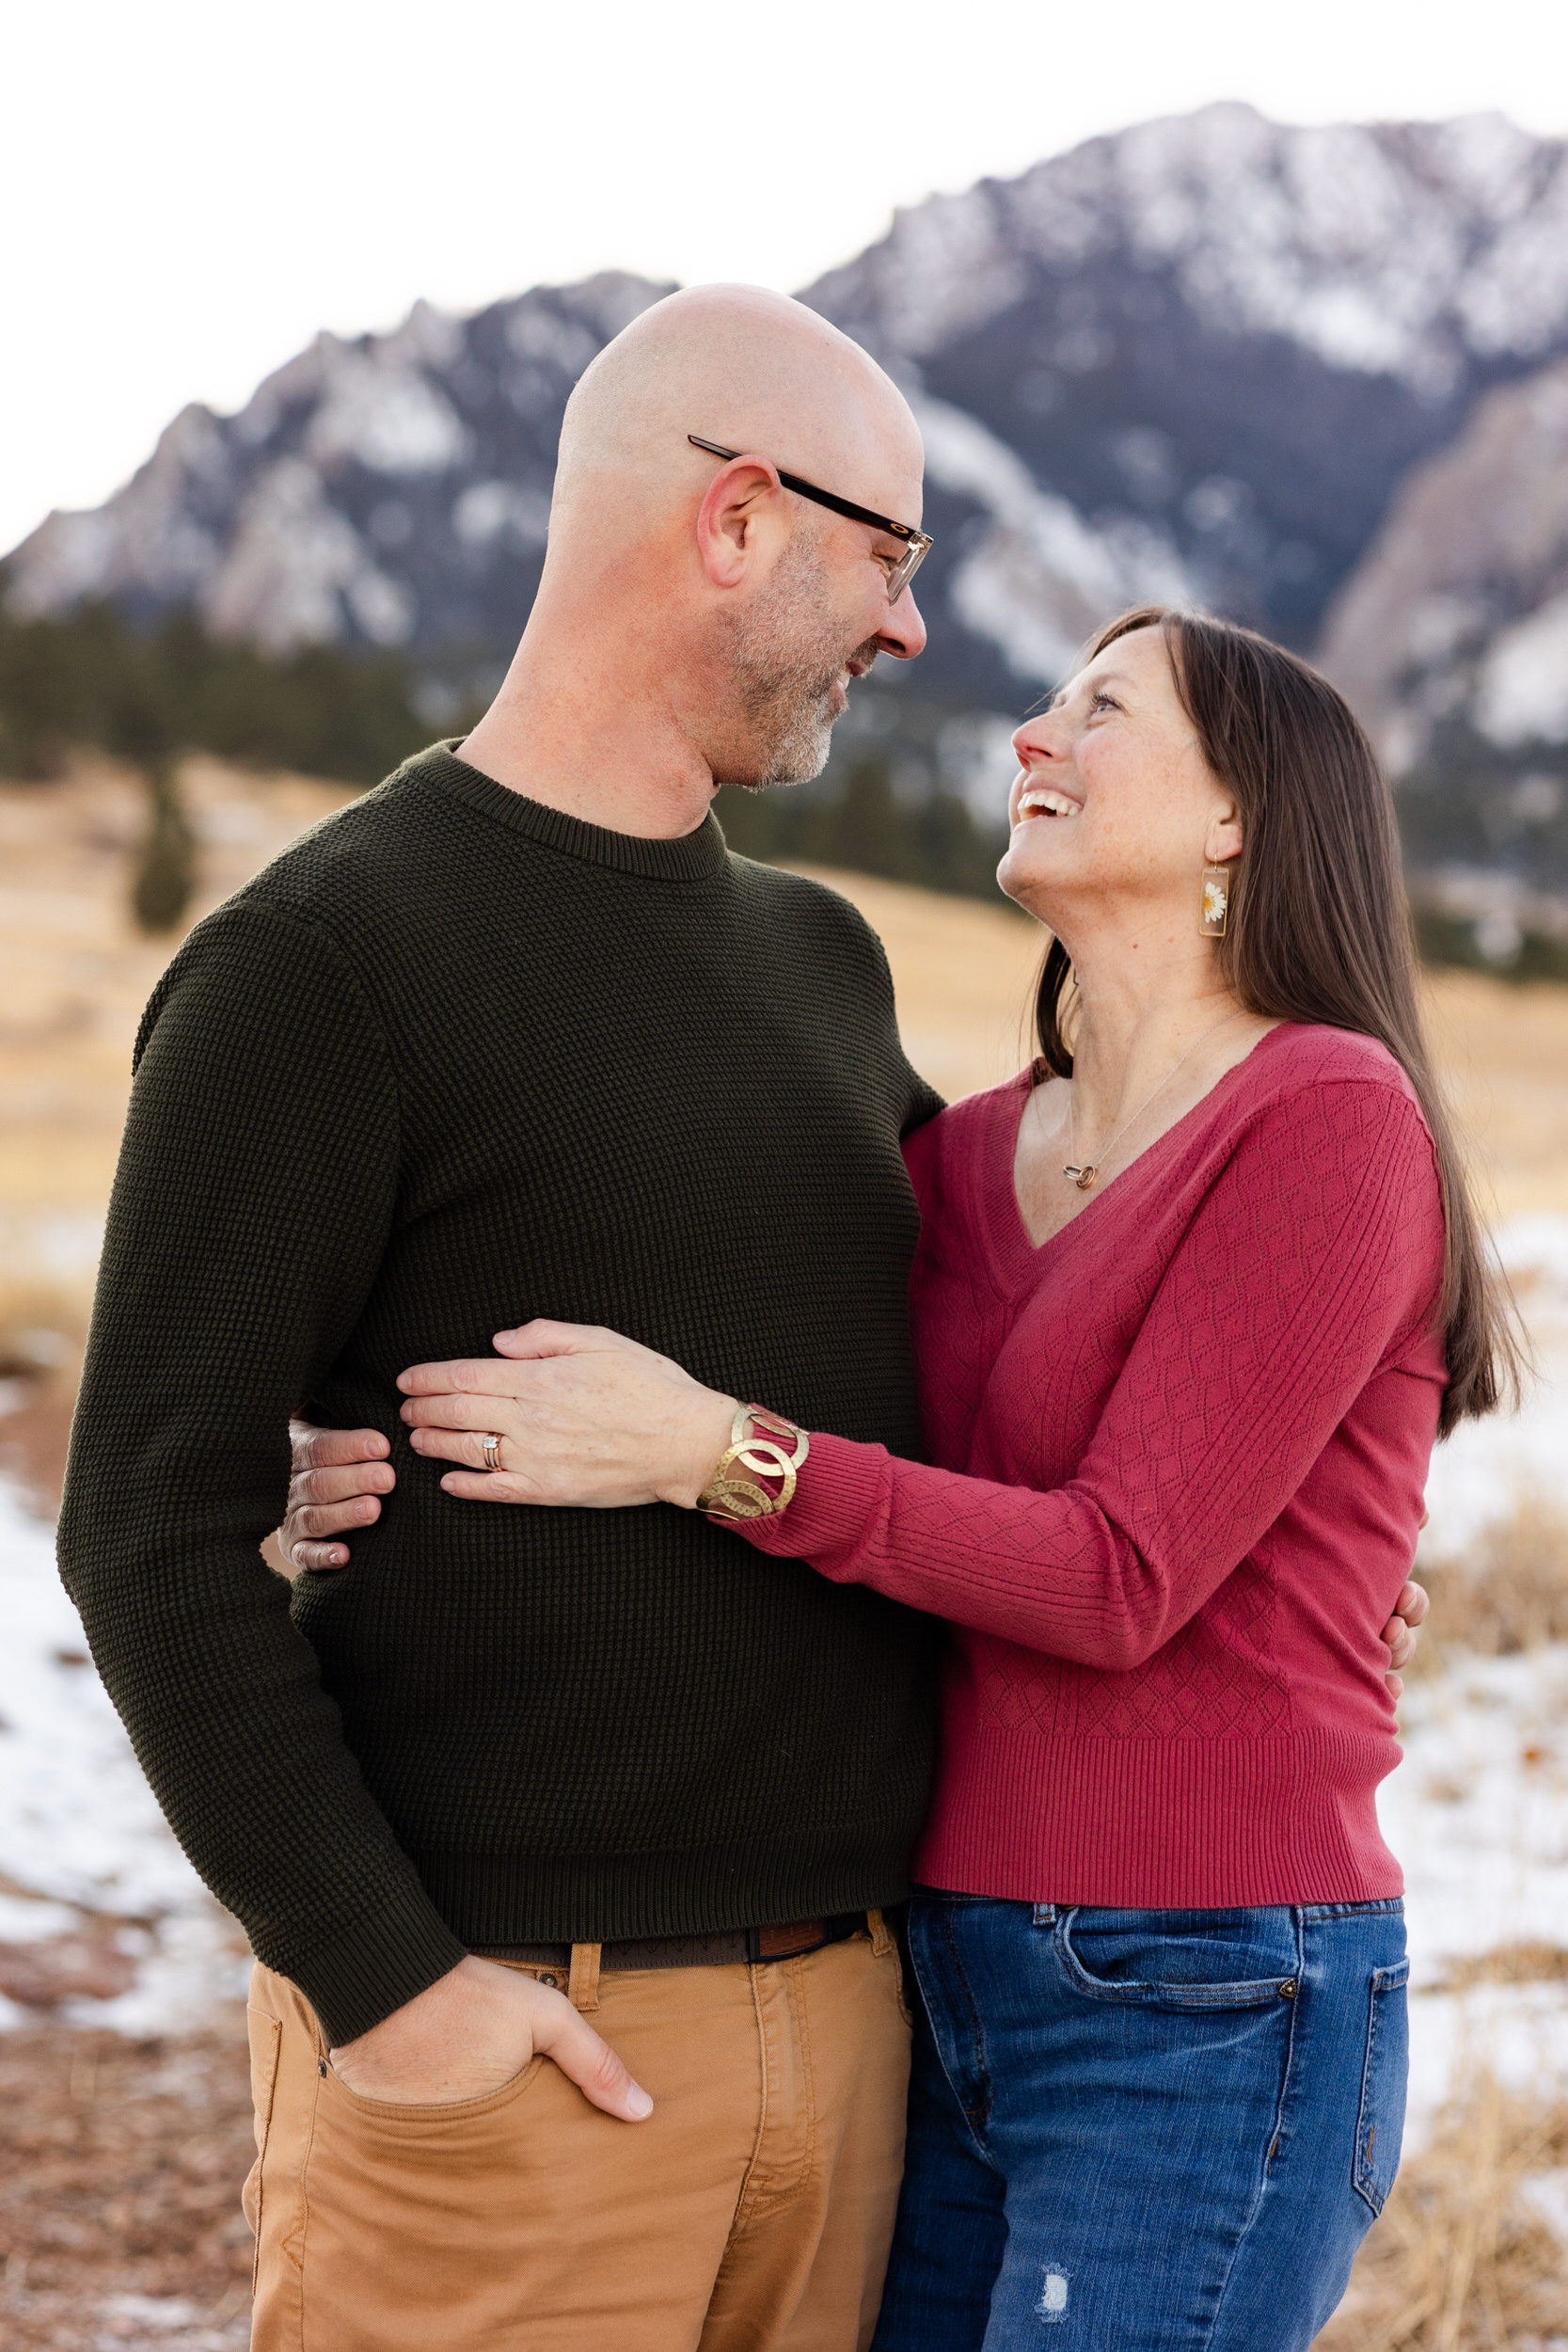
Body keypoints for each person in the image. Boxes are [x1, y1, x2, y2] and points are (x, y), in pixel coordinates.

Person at [293, 609, 1499, 2350]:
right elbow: (684, 1313)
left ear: (1242, 816)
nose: (1029, 735)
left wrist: (718, 1453)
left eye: (1099, 710)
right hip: (938, 1963)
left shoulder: (1326, 1112)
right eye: (1044, 703)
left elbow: (1109, 1580)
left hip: (1210, 1984)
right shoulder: (957, 1150)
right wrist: (326, 1446)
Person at [57, 284, 949, 2352]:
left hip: (862, 2037)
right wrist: (387, 1982)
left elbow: (999, 1348)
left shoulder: (824, 963)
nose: (908, 629)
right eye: (889, 558)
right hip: (519, 2049)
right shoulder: (325, 958)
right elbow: (150, 1527)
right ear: (738, 519)